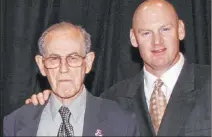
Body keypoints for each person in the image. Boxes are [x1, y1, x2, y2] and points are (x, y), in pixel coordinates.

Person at [25, 0, 211, 136]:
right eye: (146, 33)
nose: (157, 41)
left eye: (165, 29)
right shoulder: (112, 100)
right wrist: (53, 103)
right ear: (133, 38)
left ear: (181, 30)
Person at [3, 22, 139, 136]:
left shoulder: (121, 122)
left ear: (89, 62)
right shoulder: (15, 123)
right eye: (54, 59)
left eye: (73, 58)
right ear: (41, 65)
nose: (64, 69)